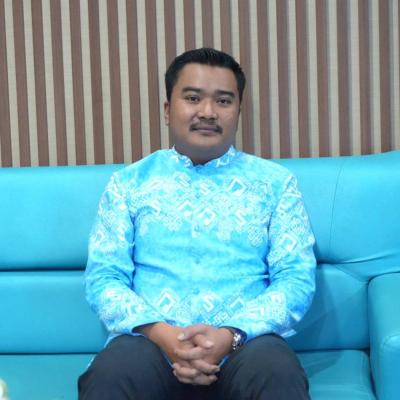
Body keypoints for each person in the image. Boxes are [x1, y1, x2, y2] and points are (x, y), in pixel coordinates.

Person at [78, 48, 316, 400]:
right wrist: (165, 336)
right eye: (192, 98)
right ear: (167, 110)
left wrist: (230, 335)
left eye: (223, 101)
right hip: (151, 343)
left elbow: (295, 279)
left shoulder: (276, 184)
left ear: (238, 111)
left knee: (277, 372)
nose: (207, 112)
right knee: (110, 375)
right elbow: (104, 278)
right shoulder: (129, 184)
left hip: (245, 345)